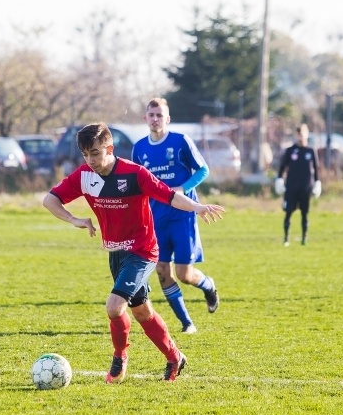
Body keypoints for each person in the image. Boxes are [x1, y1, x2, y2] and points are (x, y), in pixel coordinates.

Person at [43, 122, 225, 383]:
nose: (90, 160)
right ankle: (175, 357)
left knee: (115, 306)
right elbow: (50, 199)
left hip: (142, 251)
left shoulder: (134, 174)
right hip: (115, 253)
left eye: (95, 153)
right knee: (141, 311)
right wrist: (74, 219)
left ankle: (119, 358)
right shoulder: (84, 176)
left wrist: (197, 207)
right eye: (85, 154)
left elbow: (169, 196)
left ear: (109, 148)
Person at [131, 97, 220, 335]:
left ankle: (208, 285)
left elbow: (203, 169)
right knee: (161, 270)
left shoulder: (181, 141)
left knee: (184, 274)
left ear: (167, 119)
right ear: (145, 118)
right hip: (156, 218)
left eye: (160, 115)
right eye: (152, 115)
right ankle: (187, 322)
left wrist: (182, 188)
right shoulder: (139, 148)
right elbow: (137, 184)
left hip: (183, 216)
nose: (155, 119)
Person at [275, 123, 321, 246]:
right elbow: (282, 167)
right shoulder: (290, 150)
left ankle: (304, 238)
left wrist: (317, 182)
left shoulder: (311, 151)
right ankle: (286, 238)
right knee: (288, 212)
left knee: (304, 213)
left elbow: (316, 169)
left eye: (302, 134)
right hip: (291, 187)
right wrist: (279, 180)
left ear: (306, 134)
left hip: (306, 187)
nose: (300, 137)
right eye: (298, 134)